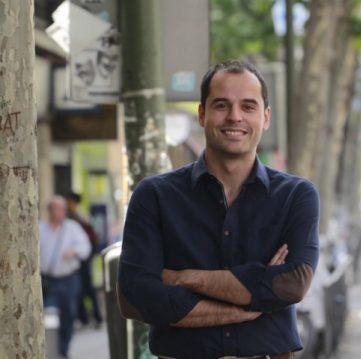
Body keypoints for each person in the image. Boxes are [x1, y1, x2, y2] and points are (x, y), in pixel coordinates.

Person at [118, 59, 320, 359]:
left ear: (265, 117)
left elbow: (292, 285)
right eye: (222, 105)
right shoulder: (154, 196)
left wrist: (182, 278)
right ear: (202, 114)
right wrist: (250, 303)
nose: (234, 117)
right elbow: (135, 297)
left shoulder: (296, 196)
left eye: (248, 107)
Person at [40, 196, 92, 359]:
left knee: (69, 313)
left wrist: (74, 251)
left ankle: (62, 349)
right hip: (49, 280)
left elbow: (86, 248)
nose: (62, 212)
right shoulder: (39, 228)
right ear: (50, 211)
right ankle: (50, 349)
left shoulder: (72, 228)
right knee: (49, 314)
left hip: (70, 279)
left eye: (64, 208)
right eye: (58, 208)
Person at [65, 192, 103, 328]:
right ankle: (85, 317)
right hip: (77, 258)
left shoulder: (78, 216)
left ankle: (94, 317)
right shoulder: (77, 216)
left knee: (86, 287)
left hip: (82, 257)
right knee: (81, 288)